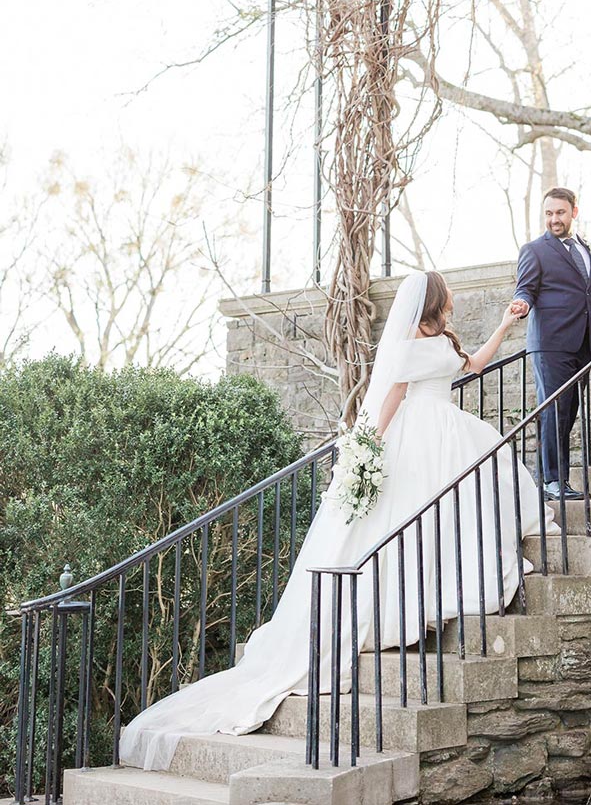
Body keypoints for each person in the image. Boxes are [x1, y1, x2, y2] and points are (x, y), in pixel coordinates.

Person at [120, 270, 554, 773]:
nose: (451, 297)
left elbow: (475, 365)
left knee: (465, 498)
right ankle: (410, 602)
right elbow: (390, 398)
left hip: (451, 431)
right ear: (436, 298)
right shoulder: (410, 341)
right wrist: (367, 449)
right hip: (418, 439)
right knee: (411, 521)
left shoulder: (445, 338)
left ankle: (439, 588)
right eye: (447, 292)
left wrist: (504, 323)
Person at [512, 186, 591, 502]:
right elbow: (525, 288)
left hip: (583, 344)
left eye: (560, 212)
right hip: (550, 343)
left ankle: (559, 480)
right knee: (554, 410)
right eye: (549, 213)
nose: (554, 219)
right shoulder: (535, 250)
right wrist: (522, 304)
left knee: (568, 413)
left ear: (574, 212)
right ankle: (551, 481)